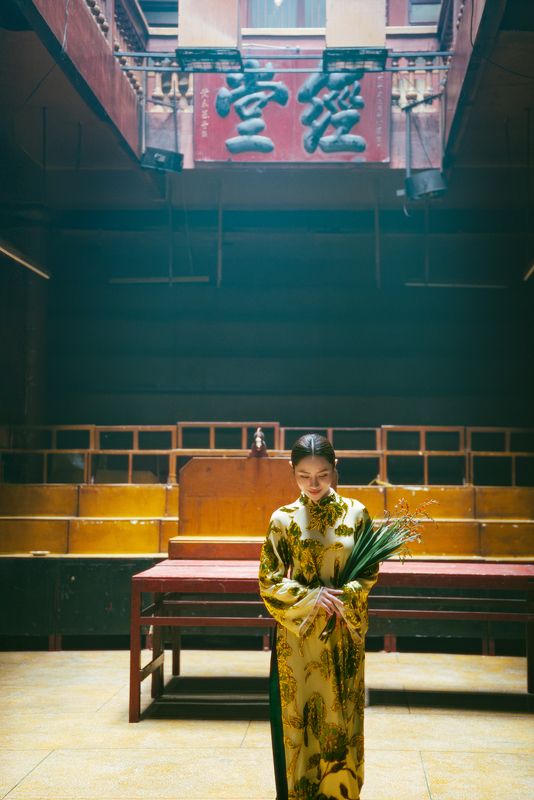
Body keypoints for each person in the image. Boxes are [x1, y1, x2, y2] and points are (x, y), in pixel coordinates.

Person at [259, 433, 378, 800]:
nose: (314, 484)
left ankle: (340, 793)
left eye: (323, 474)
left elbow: (369, 572)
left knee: (340, 718)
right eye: (304, 475)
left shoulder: (356, 513)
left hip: (342, 633)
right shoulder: (283, 519)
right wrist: (311, 597)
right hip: (299, 641)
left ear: (335, 469)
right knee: (300, 721)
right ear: (291, 472)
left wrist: (347, 595)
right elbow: (268, 580)